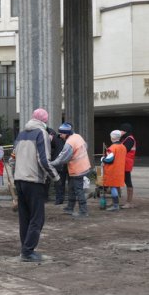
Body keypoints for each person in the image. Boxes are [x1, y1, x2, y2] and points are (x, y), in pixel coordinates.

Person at [12, 108, 59, 262]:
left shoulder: (21, 134)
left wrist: (16, 175)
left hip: (19, 179)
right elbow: (43, 160)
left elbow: (12, 159)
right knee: (37, 218)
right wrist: (55, 176)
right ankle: (28, 251)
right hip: (34, 180)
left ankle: (24, 248)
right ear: (45, 121)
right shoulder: (42, 133)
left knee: (24, 217)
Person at [51, 122, 93, 218]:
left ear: (66, 133)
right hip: (83, 166)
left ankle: (83, 211)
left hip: (77, 169)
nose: (60, 136)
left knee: (78, 190)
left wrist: (51, 164)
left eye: (61, 134)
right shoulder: (78, 136)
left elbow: (62, 158)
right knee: (71, 188)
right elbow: (85, 146)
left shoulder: (69, 143)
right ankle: (70, 208)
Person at [101, 130, 127, 211]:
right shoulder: (123, 147)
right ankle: (116, 204)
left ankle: (115, 206)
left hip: (112, 171)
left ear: (112, 137)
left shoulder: (112, 148)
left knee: (113, 187)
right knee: (116, 187)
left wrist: (103, 159)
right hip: (120, 170)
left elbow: (109, 160)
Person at [46, 127, 67, 205]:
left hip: (60, 164)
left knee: (59, 182)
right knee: (59, 182)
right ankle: (59, 198)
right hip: (58, 163)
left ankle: (59, 199)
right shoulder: (56, 139)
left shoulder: (56, 139)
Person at [119, 122, 137, 208]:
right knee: (123, 181)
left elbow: (124, 150)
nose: (120, 132)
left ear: (125, 131)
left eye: (121, 130)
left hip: (126, 163)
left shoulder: (129, 139)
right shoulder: (126, 139)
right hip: (124, 162)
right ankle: (124, 202)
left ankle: (129, 203)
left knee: (128, 181)